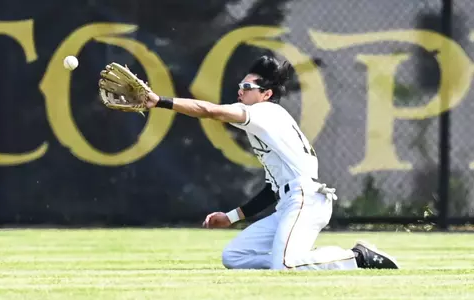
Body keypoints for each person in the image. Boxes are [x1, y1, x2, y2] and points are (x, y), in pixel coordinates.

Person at [144, 55, 399, 271]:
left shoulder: (265, 113)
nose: (240, 89)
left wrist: (161, 102)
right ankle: (306, 257)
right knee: (234, 257)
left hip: (305, 200)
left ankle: (357, 257)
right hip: (290, 202)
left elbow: (210, 111)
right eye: (241, 84)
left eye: (247, 86)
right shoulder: (265, 122)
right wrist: (230, 218)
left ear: (266, 94)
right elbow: (271, 191)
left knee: (286, 265)